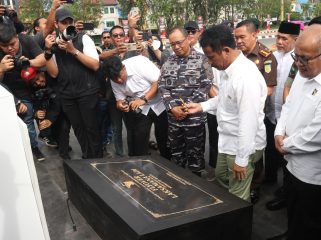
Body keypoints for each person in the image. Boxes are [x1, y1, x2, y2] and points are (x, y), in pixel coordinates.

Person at [187, 24, 267, 201]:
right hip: (227, 141)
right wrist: (202, 106)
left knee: (238, 195)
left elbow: (249, 121)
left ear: (225, 50)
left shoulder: (245, 77)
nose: (209, 63)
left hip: (242, 144)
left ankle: (239, 223)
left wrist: (242, 159)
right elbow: (224, 99)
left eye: (211, 57)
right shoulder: (226, 69)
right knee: (222, 176)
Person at [268, 24, 321, 240]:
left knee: (310, 222)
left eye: (304, 59)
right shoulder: (302, 72)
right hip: (291, 164)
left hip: (313, 174)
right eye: (296, 57)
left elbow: (316, 134)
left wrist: (284, 145)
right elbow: (288, 106)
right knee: (293, 212)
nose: (298, 64)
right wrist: (279, 132)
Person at [45, 7, 102, 159]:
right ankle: (86, 157)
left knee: (92, 129)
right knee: (78, 130)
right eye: (64, 22)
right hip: (67, 95)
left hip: (87, 92)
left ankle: (97, 161)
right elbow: (53, 73)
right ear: (57, 25)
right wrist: (48, 51)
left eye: (70, 21)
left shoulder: (83, 38)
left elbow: (95, 65)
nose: (68, 25)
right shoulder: (54, 43)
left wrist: (73, 51)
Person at [158, 27, 213, 175]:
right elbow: (162, 86)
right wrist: (172, 107)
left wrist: (185, 107)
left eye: (179, 42)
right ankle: (179, 186)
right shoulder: (168, 61)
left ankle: (197, 187)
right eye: (172, 44)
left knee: (195, 155)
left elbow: (206, 85)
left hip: (194, 119)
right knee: (176, 155)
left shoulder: (202, 60)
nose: (176, 47)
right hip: (174, 119)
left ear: (188, 39)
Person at [235, 19, 278, 203]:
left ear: (254, 34)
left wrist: (247, 101)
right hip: (236, 111)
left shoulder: (265, 56)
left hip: (258, 112)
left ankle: (255, 185)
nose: (238, 41)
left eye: (242, 37)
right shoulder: (236, 56)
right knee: (240, 146)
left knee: (256, 150)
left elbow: (269, 89)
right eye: (236, 38)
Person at [102, 55, 170, 158]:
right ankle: (142, 163)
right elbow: (119, 99)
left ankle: (167, 160)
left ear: (123, 67)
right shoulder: (113, 78)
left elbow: (158, 81)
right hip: (141, 109)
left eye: (120, 76)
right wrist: (120, 105)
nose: (119, 81)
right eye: (115, 79)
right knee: (139, 139)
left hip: (159, 103)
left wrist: (144, 99)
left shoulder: (139, 63)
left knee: (163, 136)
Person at [264, 21, 300, 211]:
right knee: (270, 150)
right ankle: (269, 179)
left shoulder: (299, 60)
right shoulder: (272, 57)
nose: (279, 41)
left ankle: (286, 193)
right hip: (271, 113)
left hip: (289, 118)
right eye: (277, 37)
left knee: (287, 157)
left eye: (284, 38)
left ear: (295, 40)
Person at [0, 22, 46, 161]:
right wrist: (1, 69)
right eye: (4, 46)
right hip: (7, 95)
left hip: (29, 89)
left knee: (28, 124)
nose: (9, 49)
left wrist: (28, 62)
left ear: (17, 37)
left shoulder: (27, 40)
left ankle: (34, 148)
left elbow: (43, 59)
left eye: (12, 44)